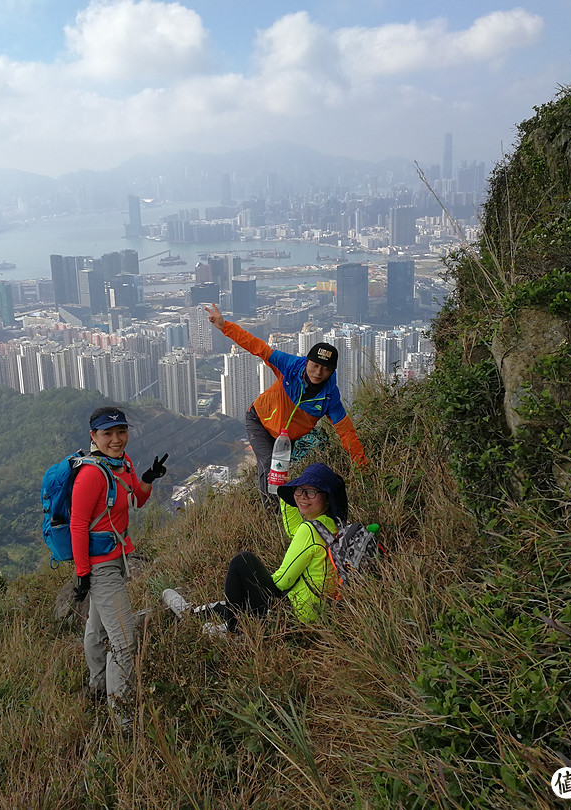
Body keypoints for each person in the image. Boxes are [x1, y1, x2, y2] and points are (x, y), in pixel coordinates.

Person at [205, 303, 367, 505]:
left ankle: (283, 505)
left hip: (286, 438)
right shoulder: (289, 366)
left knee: (284, 471)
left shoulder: (330, 397)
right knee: (269, 464)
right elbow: (258, 347)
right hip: (259, 420)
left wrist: (362, 467)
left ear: (332, 371)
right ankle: (270, 510)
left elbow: (346, 432)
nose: (318, 373)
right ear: (307, 362)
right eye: (315, 365)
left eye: (325, 369)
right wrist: (224, 326)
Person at [162, 463, 347, 635]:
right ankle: (192, 613)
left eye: (312, 492)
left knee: (243, 561)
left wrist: (253, 588)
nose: (303, 496)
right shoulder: (333, 525)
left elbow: (281, 582)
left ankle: (232, 630)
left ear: (327, 498)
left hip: (292, 616)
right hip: (316, 613)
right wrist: (285, 496)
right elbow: (294, 532)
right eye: (299, 489)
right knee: (238, 602)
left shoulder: (310, 530)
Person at [70, 406, 168, 710]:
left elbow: (136, 499)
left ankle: (97, 685)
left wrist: (148, 478)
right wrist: (83, 574)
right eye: (107, 433)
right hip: (100, 566)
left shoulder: (122, 463)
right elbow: (78, 525)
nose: (116, 439)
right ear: (93, 436)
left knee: (97, 628)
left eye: (121, 431)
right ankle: (122, 715)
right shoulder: (90, 475)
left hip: (116, 557)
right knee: (125, 642)